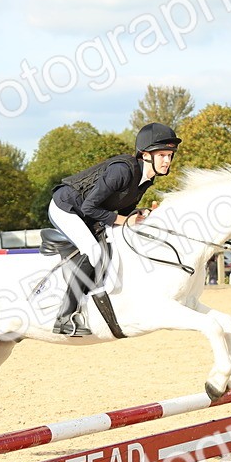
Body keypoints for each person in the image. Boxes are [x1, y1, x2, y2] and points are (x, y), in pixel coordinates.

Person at [48, 122, 181, 335]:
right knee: (93, 250)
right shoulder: (122, 171)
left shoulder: (146, 179)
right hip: (67, 207)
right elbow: (88, 206)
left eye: (170, 155)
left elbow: (121, 209)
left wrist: (138, 215)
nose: (168, 160)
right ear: (146, 155)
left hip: (88, 212)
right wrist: (123, 220)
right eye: (163, 155)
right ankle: (65, 316)